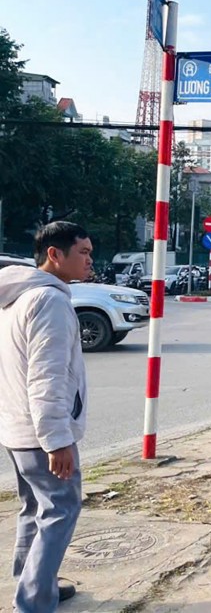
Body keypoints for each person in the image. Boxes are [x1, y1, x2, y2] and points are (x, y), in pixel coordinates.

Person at [0, 221, 92, 611]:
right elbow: (47, 377)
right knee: (61, 508)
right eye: (83, 253)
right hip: (40, 432)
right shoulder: (48, 301)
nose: (90, 260)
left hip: (15, 426)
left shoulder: (15, 297)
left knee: (35, 507)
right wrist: (57, 440)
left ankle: (33, 579)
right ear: (54, 255)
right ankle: (34, 601)